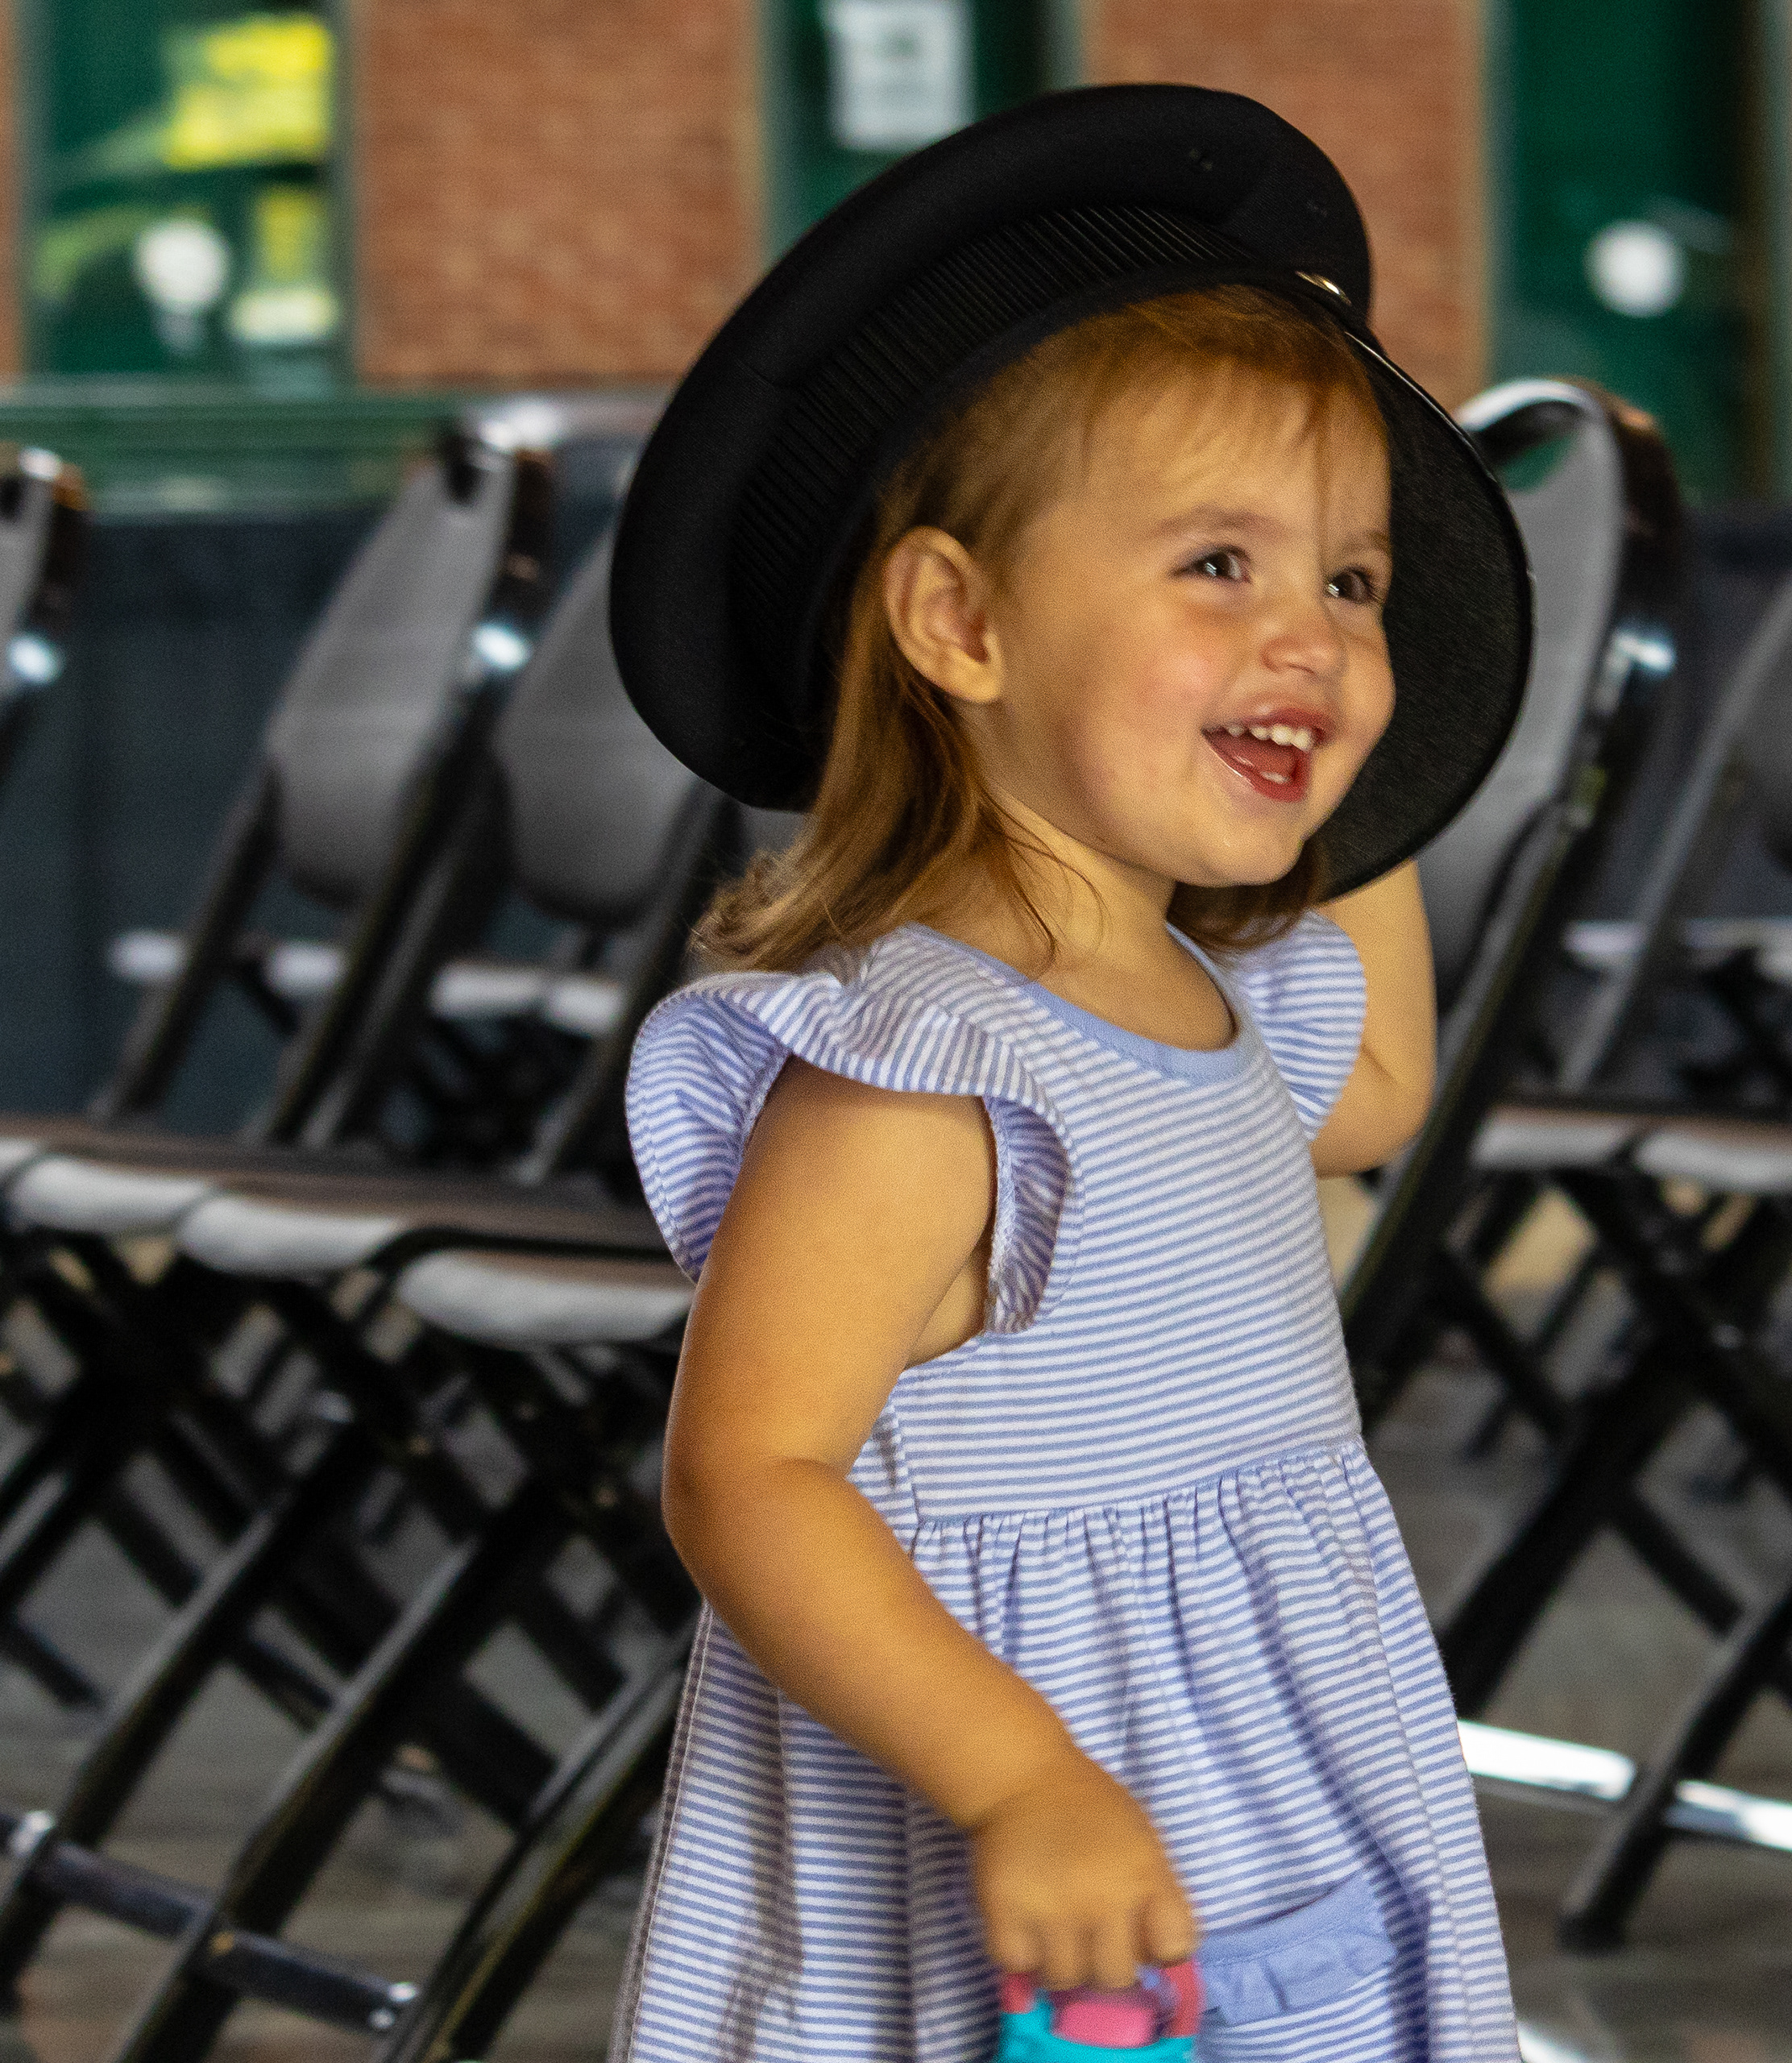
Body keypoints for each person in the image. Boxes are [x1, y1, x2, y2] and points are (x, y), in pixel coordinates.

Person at [600, 85, 1533, 2061]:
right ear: (961, 619)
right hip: (1029, 1817)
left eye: (1354, 584)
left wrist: (1337, 751)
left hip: (1240, 1798)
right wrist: (1018, 1776)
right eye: (1219, 566)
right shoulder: (926, 1064)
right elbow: (745, 1472)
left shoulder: (1182, 987)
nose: (1311, 632)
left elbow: (1370, 1083)